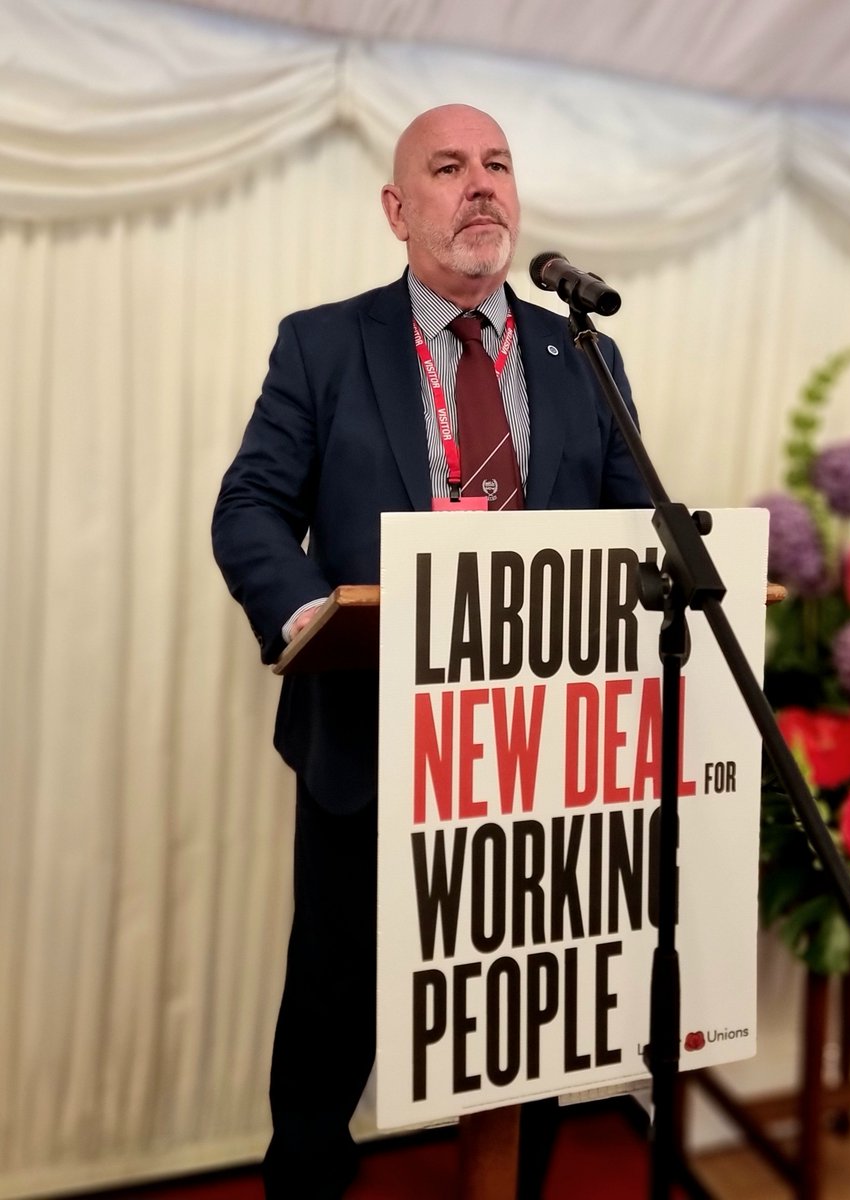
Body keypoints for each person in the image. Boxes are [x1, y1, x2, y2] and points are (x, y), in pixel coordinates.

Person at [212, 103, 649, 1200]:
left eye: (497, 164)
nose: (481, 184)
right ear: (397, 210)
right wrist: (310, 617)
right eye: (449, 168)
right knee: (332, 1025)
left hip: (539, 761)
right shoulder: (324, 343)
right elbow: (251, 506)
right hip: (371, 748)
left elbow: (634, 523)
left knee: (524, 1024)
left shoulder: (583, 353)